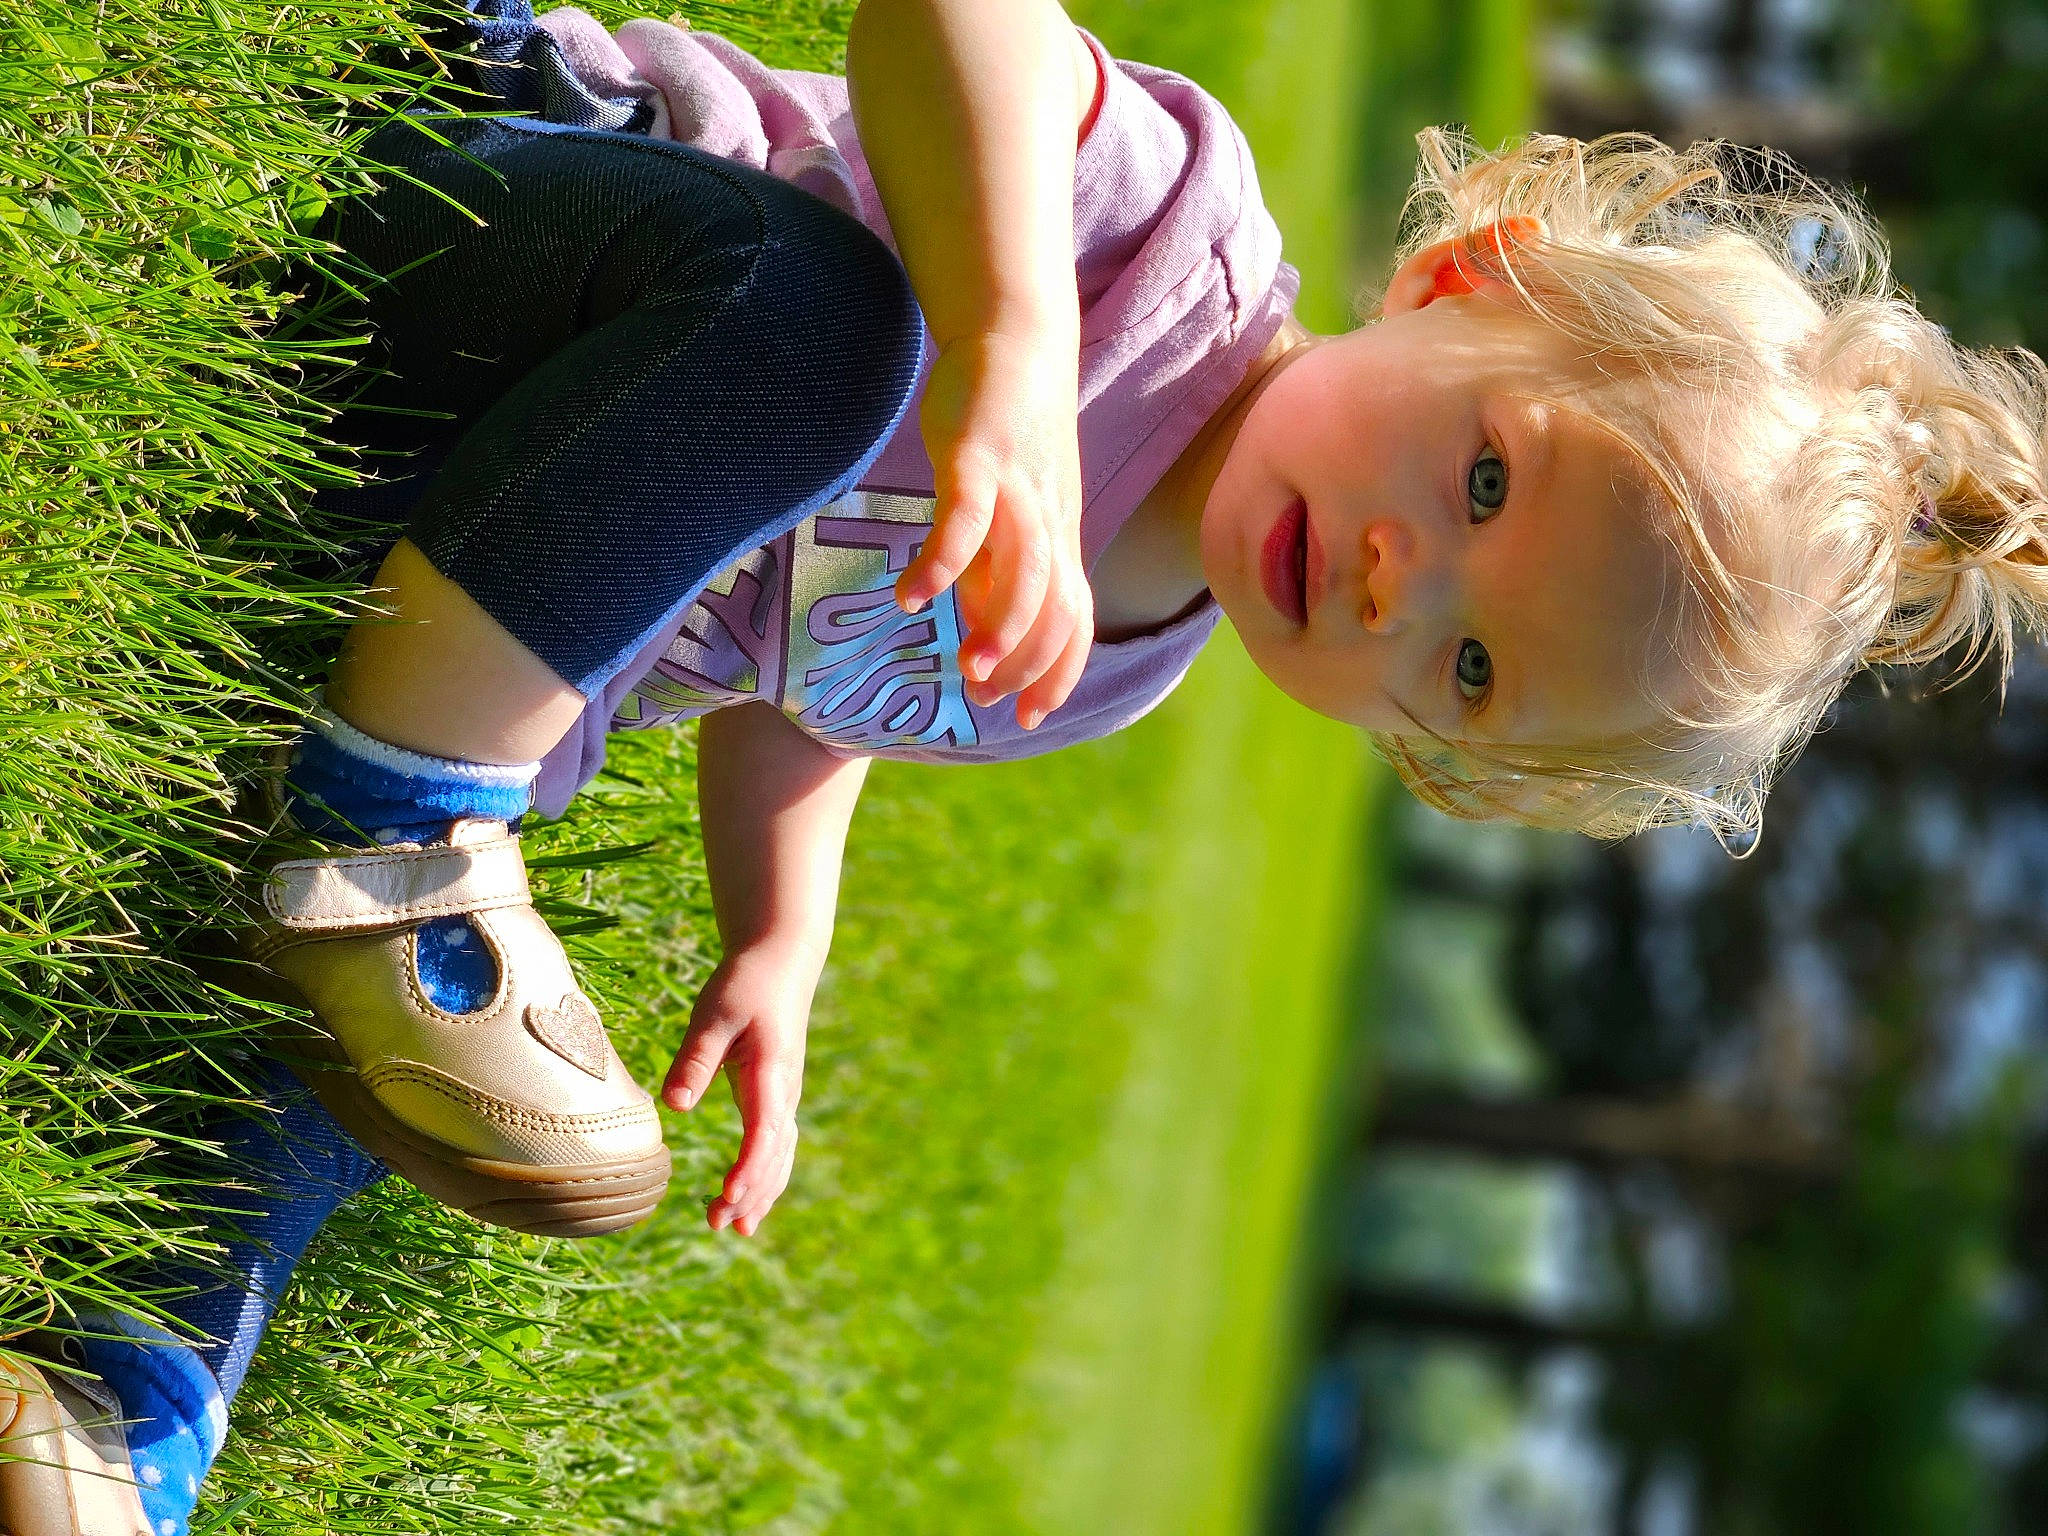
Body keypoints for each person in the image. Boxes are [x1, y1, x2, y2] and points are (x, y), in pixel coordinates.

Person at [11, 0, 2048, 1527]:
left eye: (1472, 660)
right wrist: (1006, 358)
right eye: (1487, 474)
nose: (1392, 577)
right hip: (506, 226)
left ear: (1442, 753)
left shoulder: (1118, 664)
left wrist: (776, 933)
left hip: (441, 582)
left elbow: (817, 692)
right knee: (821, 330)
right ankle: (389, 832)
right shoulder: (1171, 247)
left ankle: (120, 1408)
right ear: (1460, 283)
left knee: (370, 1086)